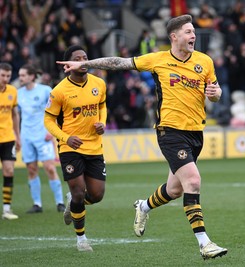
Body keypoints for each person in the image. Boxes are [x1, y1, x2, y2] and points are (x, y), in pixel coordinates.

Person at [57, 14, 228, 260]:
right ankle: (204, 243)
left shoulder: (204, 61)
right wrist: (86, 64)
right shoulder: (157, 60)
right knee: (193, 181)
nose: (193, 36)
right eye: (189, 32)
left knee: (175, 189)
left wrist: (215, 93)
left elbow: (215, 93)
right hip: (170, 131)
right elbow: (119, 62)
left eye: (193, 32)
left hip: (195, 133)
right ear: (174, 37)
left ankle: (143, 206)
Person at [44, 45, 107, 251]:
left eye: (85, 57)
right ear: (69, 65)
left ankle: (73, 204)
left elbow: (102, 105)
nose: (83, 61)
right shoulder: (59, 91)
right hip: (70, 147)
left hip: (94, 146)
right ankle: (81, 239)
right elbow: (49, 120)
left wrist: (102, 123)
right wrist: (66, 137)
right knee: (79, 192)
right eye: (78, 58)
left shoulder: (99, 84)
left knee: (96, 195)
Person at [17, 63, 65, 214]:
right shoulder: (18, 93)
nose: (20, 78)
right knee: (31, 170)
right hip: (27, 136)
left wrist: (52, 130)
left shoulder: (45, 91)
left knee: (50, 168)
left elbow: (55, 111)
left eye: (23, 75)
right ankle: (37, 204)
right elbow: (15, 114)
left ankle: (60, 202)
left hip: (43, 135)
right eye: (20, 75)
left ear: (32, 76)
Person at [0, 62, 21, 220]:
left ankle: (7, 209)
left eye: (8, 76)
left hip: (8, 137)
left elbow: (14, 114)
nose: (5, 79)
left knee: (9, 170)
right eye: (2, 75)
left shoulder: (13, 91)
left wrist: (18, 136)